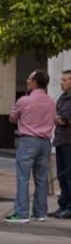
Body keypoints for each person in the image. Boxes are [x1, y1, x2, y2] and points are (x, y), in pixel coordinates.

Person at [7, 70, 57, 223]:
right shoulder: (51, 101)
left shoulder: (24, 101)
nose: (27, 81)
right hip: (45, 142)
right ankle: (40, 212)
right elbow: (54, 119)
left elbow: (12, 118)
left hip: (28, 140)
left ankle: (22, 213)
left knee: (23, 178)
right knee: (41, 179)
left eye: (29, 78)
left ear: (35, 82)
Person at [51, 70, 71, 219]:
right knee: (61, 176)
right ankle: (63, 205)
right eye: (62, 79)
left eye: (65, 80)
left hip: (69, 141)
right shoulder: (63, 97)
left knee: (68, 176)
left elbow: (63, 119)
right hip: (60, 139)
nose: (61, 82)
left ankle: (69, 207)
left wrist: (60, 119)